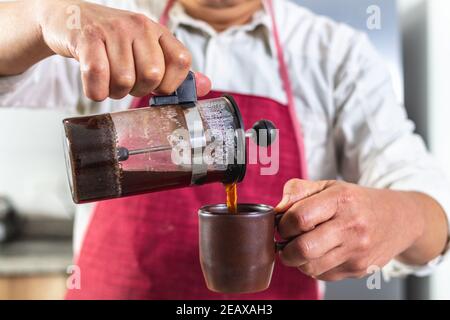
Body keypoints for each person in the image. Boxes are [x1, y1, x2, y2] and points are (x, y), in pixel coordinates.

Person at [0, 0, 449, 299]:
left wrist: (394, 216)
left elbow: (434, 213)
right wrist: (45, 17)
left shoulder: (335, 53)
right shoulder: (114, 25)